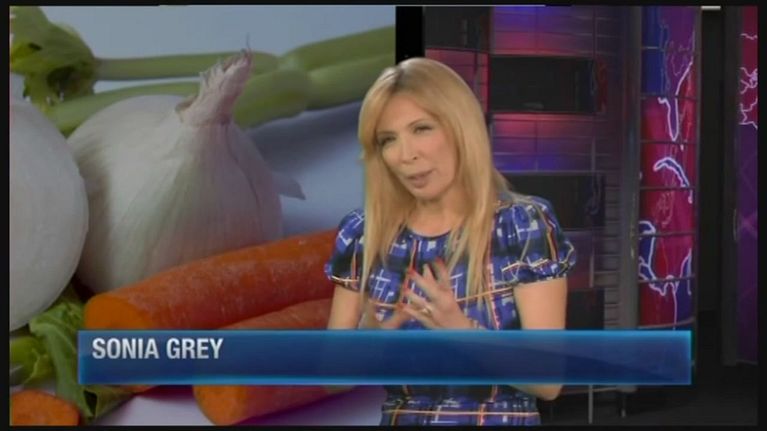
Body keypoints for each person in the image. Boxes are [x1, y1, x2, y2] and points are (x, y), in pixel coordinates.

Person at [324, 57, 577, 426]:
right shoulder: (365, 235)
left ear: (461, 128)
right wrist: (368, 341)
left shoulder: (522, 226)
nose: (406, 155)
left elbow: (547, 382)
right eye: (388, 140)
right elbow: (332, 380)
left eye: (421, 129)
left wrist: (462, 331)